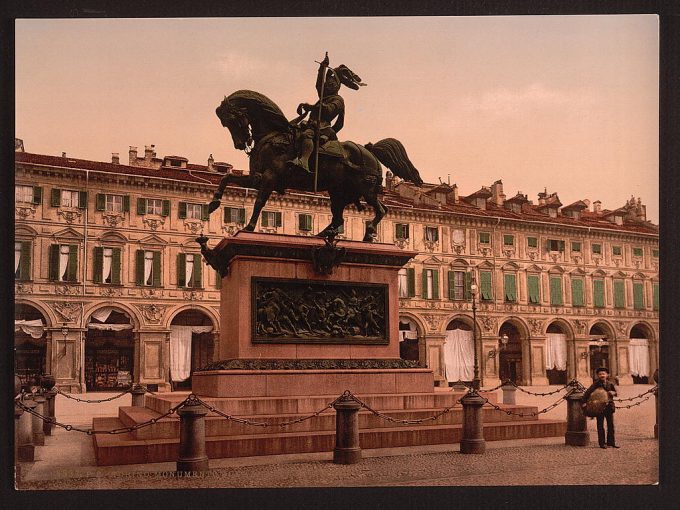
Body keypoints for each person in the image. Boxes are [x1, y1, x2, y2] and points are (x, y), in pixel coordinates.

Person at [288, 52, 365, 173]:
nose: (328, 86)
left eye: (331, 84)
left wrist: (311, 107)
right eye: (327, 84)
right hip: (312, 124)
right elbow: (319, 84)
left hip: (323, 127)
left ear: (337, 86)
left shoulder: (338, 100)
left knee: (306, 135)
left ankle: (304, 161)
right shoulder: (323, 96)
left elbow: (328, 111)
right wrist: (322, 67)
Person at [582, 367, 620, 449]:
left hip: (609, 407)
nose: (602, 375)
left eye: (603, 374)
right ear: (598, 375)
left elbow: (617, 393)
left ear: (607, 375)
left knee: (611, 425)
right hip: (599, 408)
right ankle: (602, 443)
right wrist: (584, 403)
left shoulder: (610, 384)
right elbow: (587, 393)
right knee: (600, 426)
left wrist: (613, 393)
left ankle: (611, 442)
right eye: (600, 374)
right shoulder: (595, 384)